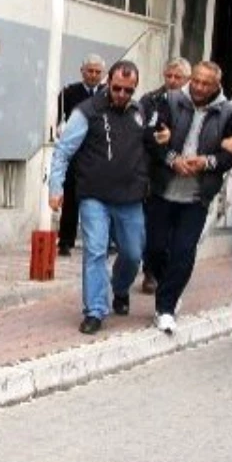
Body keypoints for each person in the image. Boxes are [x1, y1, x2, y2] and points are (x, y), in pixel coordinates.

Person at [49, 60, 167, 334]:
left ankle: (120, 288)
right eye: (117, 89)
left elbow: (154, 141)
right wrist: (55, 188)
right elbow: (63, 151)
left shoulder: (139, 113)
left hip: (131, 197)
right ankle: (95, 310)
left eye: (129, 90)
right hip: (94, 196)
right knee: (95, 250)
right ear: (108, 83)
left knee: (133, 253)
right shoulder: (86, 112)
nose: (122, 95)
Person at [143, 61, 232, 334]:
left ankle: (165, 307)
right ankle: (169, 288)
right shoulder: (171, 100)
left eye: (205, 83)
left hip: (197, 195)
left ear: (216, 85)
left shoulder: (227, 112)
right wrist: (172, 160)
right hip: (163, 188)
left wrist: (206, 162)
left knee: (184, 252)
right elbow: (151, 138)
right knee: (154, 248)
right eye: (195, 81)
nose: (198, 87)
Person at [138, 58, 192, 292]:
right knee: (154, 229)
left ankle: (170, 276)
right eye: (169, 76)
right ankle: (150, 273)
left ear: (187, 80)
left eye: (177, 77)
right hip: (155, 171)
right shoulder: (150, 100)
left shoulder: (194, 105)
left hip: (185, 175)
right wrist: (168, 155)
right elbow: (145, 133)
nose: (172, 81)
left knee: (176, 232)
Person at [55, 54, 106, 257]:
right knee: (71, 197)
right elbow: (58, 119)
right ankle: (66, 240)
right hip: (75, 152)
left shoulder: (107, 94)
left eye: (97, 72)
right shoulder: (69, 93)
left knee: (100, 198)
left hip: (99, 153)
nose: (93, 75)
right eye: (90, 71)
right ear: (82, 71)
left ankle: (100, 240)